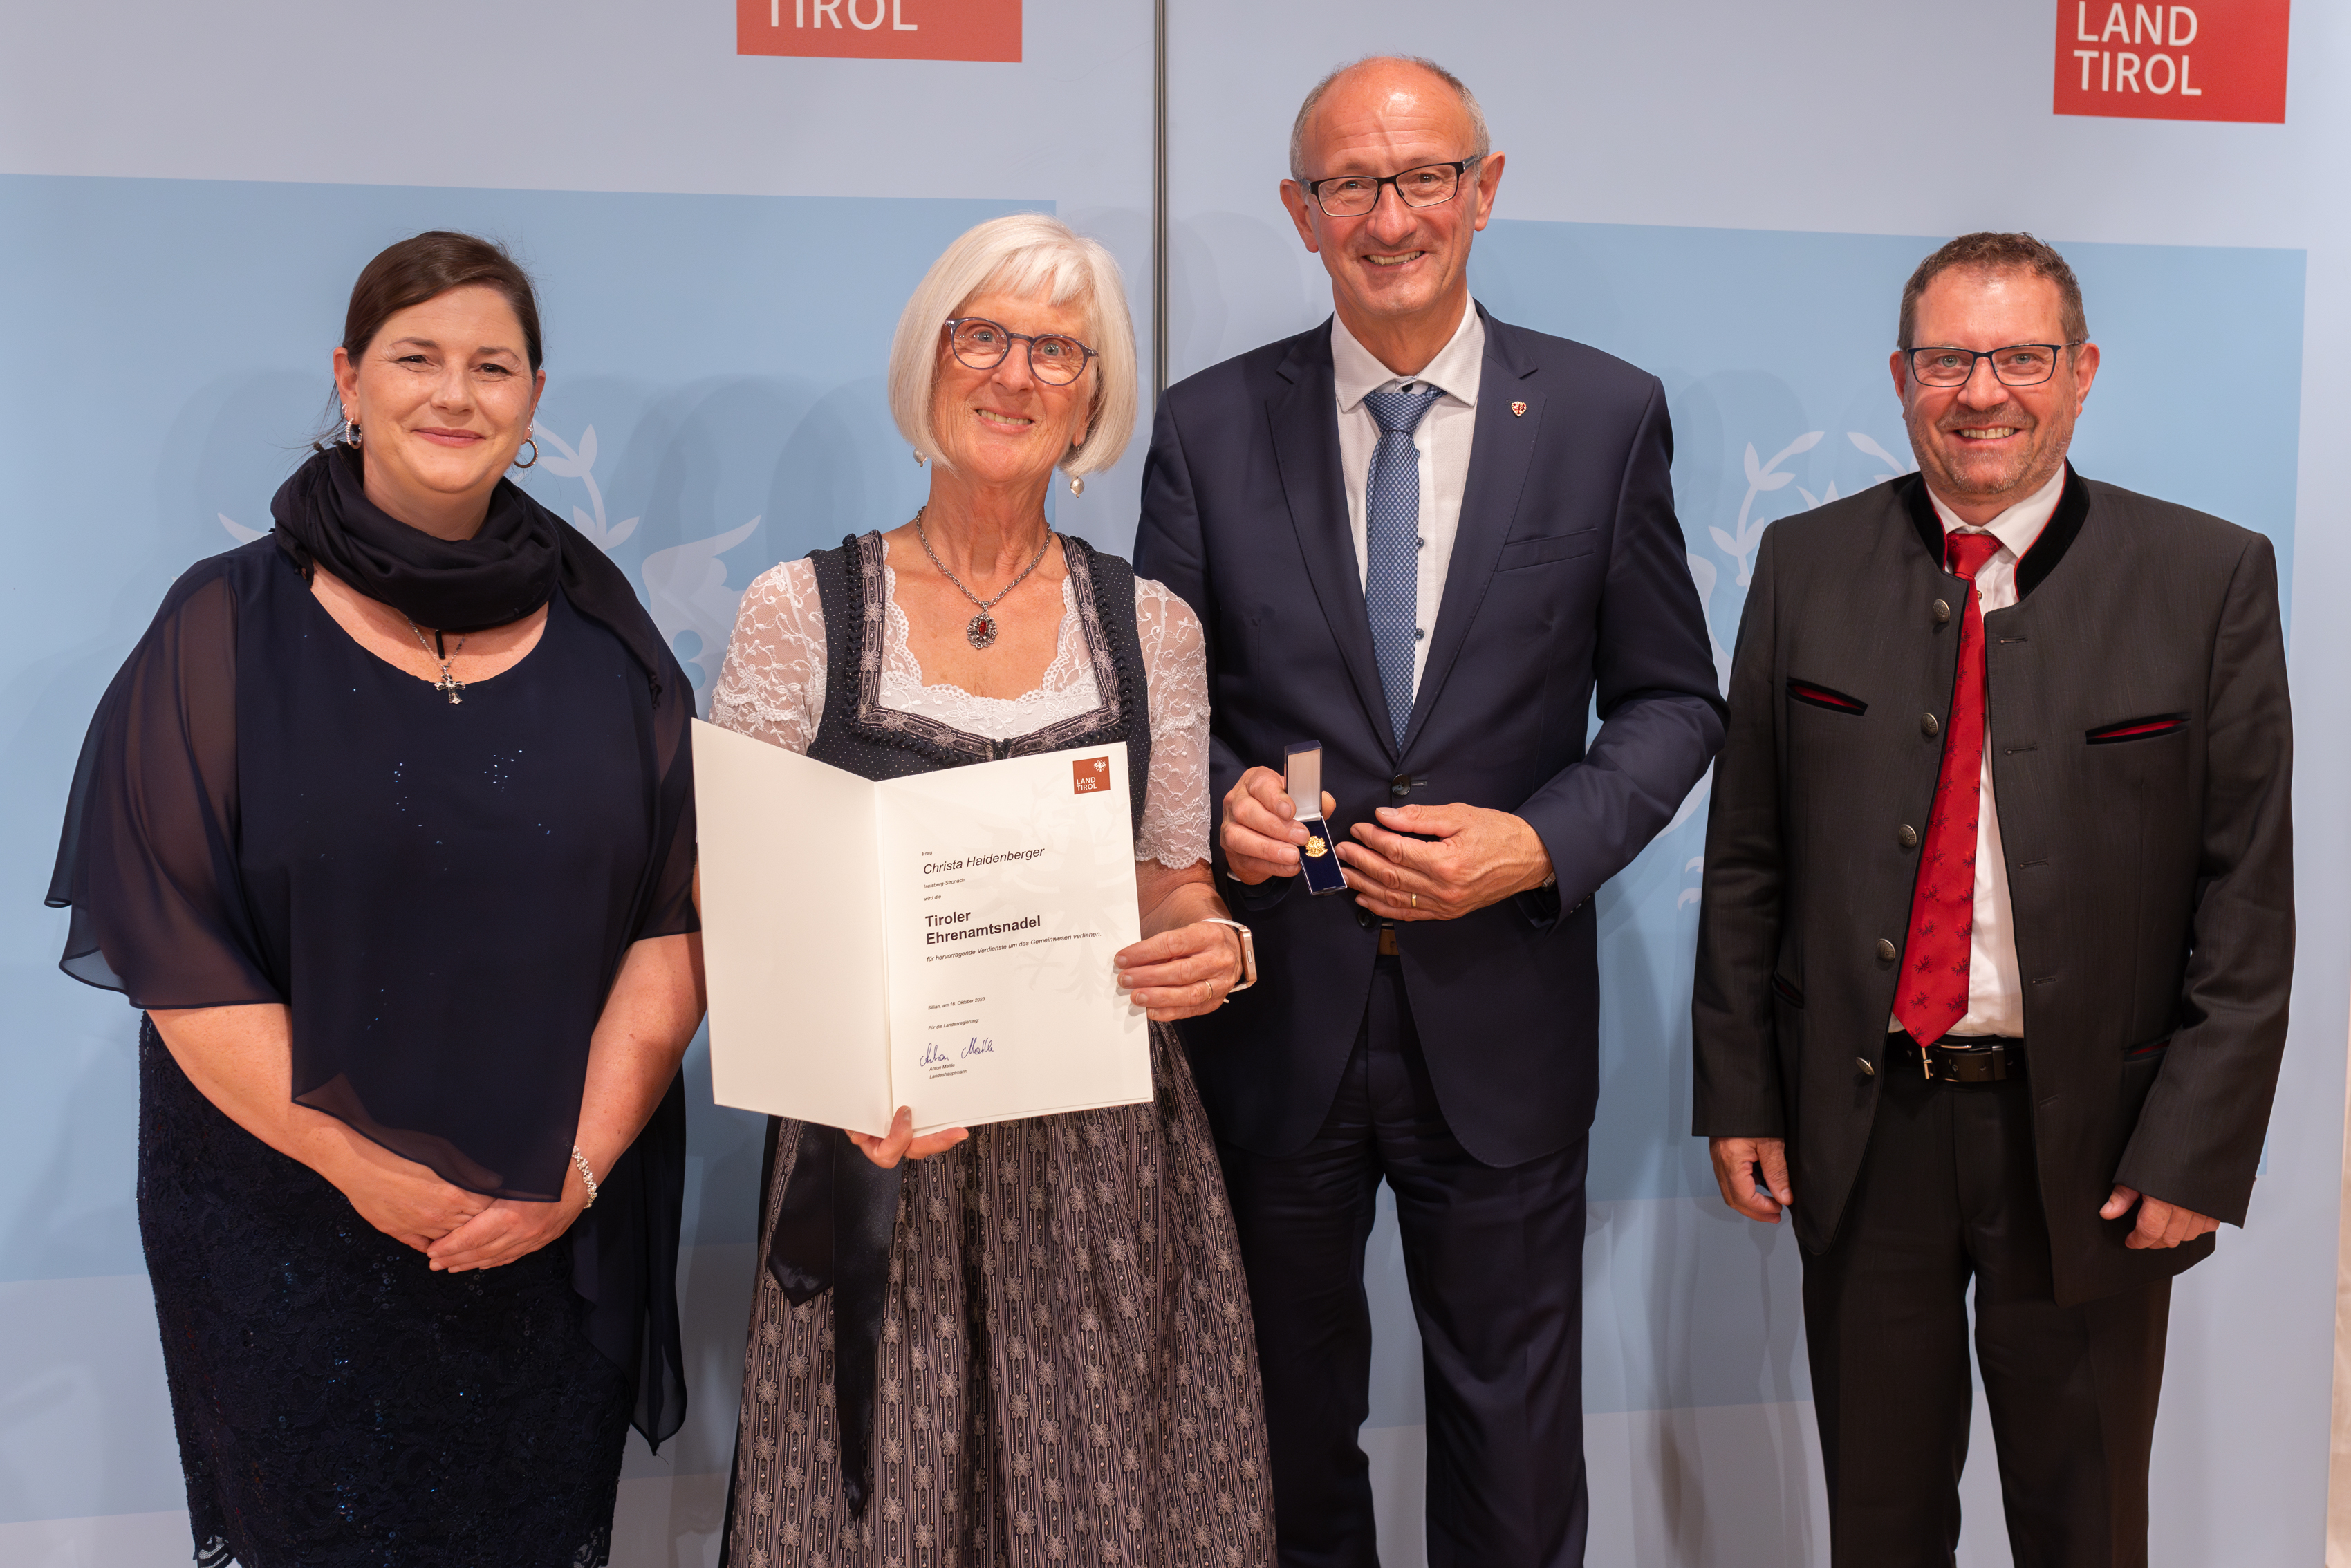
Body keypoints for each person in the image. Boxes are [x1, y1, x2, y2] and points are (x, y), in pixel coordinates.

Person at [1133, 57, 1723, 1568]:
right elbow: (1160, 712)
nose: (1387, 216)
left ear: (1482, 188)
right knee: (1271, 1433)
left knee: (1513, 1448)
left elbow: (1669, 699)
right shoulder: (1205, 430)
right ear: (1297, 212)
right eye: (1347, 185)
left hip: (1501, 1014)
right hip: (1273, 1024)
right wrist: (1213, 804)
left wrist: (1539, 843)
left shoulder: (1601, 414)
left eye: (1419, 179)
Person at [46, 231, 706, 1568]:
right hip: (286, 1225)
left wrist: (572, 1178)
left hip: (545, 1223)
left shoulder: (608, 634)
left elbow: (675, 922)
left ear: (532, 402)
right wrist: (356, 1163)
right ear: (349, 381)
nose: (453, 394)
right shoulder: (223, 626)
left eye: (491, 365)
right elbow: (177, 946)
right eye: (416, 358)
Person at [1691, 232, 2293, 1566]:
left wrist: (2193, 1150)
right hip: (1867, 1131)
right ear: (1901, 377)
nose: (1983, 393)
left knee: (2085, 1530)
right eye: (1951, 360)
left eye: (2020, 357)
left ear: (2081, 375)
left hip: (2094, 1151)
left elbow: (2246, 903)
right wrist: (1740, 1093)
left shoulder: (2209, 579)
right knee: (1882, 1528)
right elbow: (1749, 861)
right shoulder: (1802, 565)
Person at [710, 212, 1272, 1568]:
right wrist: (854, 1073)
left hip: (1098, 1170)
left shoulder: (1152, 629)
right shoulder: (799, 611)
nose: (1016, 376)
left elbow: (1173, 888)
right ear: (931, 358)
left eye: (1059, 353)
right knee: (872, 1527)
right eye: (987, 336)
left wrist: (1215, 951)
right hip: (876, 1143)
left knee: (1104, 1520)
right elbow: (731, 900)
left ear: (1094, 399)